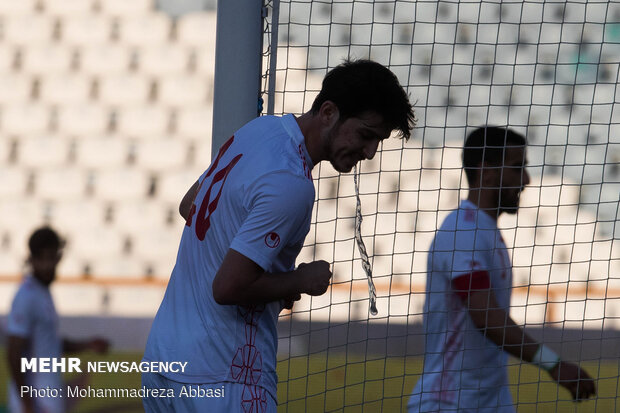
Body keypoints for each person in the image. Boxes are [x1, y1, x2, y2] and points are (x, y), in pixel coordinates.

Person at [142, 59, 416, 412]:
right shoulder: (292, 183)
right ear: (329, 112)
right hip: (223, 375)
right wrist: (297, 280)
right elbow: (227, 288)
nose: (369, 152)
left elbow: (189, 204)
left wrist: (266, 277)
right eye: (365, 135)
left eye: (377, 141)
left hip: (164, 362)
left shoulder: (257, 131)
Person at [408, 127, 597, 412]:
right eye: (517, 167)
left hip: (489, 402)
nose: (526, 180)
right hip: (448, 403)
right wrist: (553, 364)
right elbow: (485, 315)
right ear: (487, 171)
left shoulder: (484, 230)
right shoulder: (462, 231)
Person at [6, 226, 109, 413]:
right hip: (36, 402)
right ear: (32, 260)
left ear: (58, 257)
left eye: (51, 258)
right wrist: (26, 403)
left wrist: (87, 345)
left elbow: (49, 344)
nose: (48, 265)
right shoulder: (26, 297)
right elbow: (14, 352)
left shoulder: (43, 292)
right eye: (42, 259)